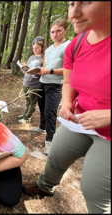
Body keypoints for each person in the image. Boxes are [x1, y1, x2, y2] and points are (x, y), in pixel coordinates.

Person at [23, 2, 110, 213]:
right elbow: (70, 82)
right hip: (80, 120)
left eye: (86, 2)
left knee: (94, 189)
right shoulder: (78, 43)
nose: (74, 13)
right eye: (72, 3)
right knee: (57, 155)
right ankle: (45, 186)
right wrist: (68, 103)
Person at [30, 18, 72, 154]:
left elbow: (69, 70)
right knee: (41, 107)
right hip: (42, 81)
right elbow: (45, 66)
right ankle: (42, 127)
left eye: (58, 31)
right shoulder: (48, 50)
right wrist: (36, 69)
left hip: (55, 84)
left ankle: (49, 140)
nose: (55, 34)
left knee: (50, 112)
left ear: (66, 30)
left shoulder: (68, 46)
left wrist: (50, 71)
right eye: (52, 32)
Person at [17, 37, 46, 124]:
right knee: (27, 100)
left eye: (37, 48)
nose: (35, 50)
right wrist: (24, 68)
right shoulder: (31, 57)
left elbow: (43, 70)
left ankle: (27, 117)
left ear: (42, 48)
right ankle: (25, 114)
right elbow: (27, 67)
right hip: (26, 81)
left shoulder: (43, 58)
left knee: (32, 101)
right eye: (33, 48)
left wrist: (36, 69)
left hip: (35, 83)